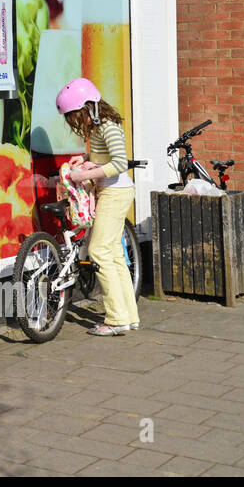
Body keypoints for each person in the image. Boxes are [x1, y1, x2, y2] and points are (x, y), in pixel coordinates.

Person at [55, 77, 139, 336]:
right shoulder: (100, 126)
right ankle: (128, 316)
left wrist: (84, 175)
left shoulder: (108, 127)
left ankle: (115, 320)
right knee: (112, 254)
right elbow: (106, 157)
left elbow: (120, 163)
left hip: (115, 193)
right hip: (113, 191)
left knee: (99, 251)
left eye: (76, 116)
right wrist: (87, 158)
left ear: (89, 107)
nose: (76, 123)